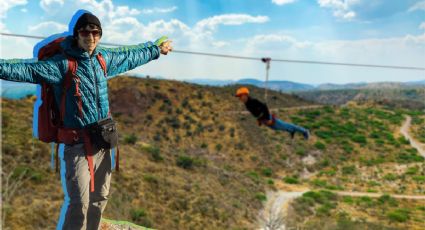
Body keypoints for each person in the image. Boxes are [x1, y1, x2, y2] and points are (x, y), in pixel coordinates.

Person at [0, 12, 172, 230]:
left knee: (100, 197)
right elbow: (26, 69)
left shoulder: (103, 59)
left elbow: (131, 56)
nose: (90, 37)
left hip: (102, 141)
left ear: (100, 36)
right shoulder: (62, 65)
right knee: (79, 203)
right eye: (85, 32)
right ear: (77, 35)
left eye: (95, 32)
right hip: (77, 146)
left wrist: (157, 49)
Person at [235, 87, 310, 140]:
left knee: (285, 125)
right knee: (280, 127)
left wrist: (268, 118)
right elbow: (257, 112)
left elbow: (264, 106)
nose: (239, 98)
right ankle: (291, 130)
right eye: (239, 97)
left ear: (245, 95)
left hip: (268, 119)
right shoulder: (247, 104)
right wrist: (259, 120)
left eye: (240, 96)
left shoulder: (253, 101)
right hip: (265, 120)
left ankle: (304, 131)